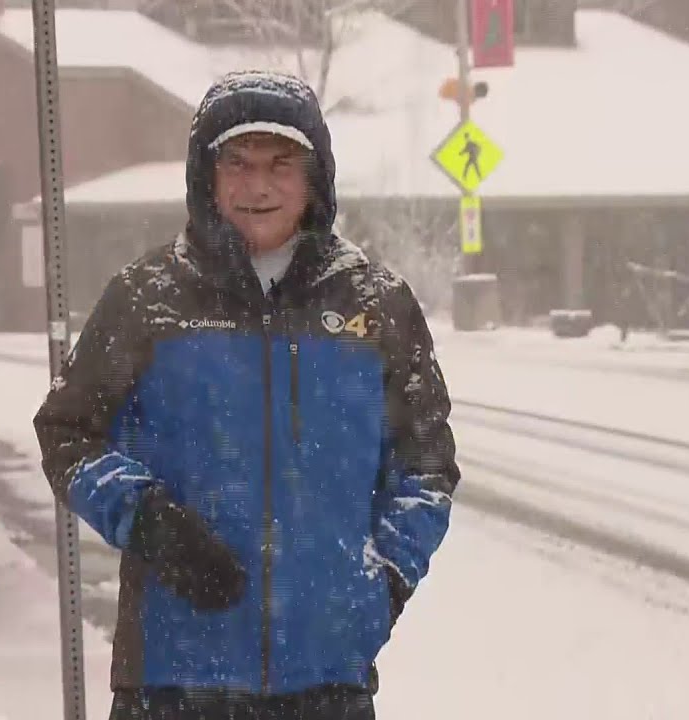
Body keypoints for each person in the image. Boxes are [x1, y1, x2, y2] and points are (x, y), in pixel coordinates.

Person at [34, 70, 461, 720]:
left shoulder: (377, 305)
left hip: (327, 681)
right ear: (206, 176)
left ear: (314, 177)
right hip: (170, 676)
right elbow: (68, 432)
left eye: (280, 164)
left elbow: (426, 469)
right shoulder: (146, 298)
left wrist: (382, 584)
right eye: (237, 162)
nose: (257, 185)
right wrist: (147, 518)